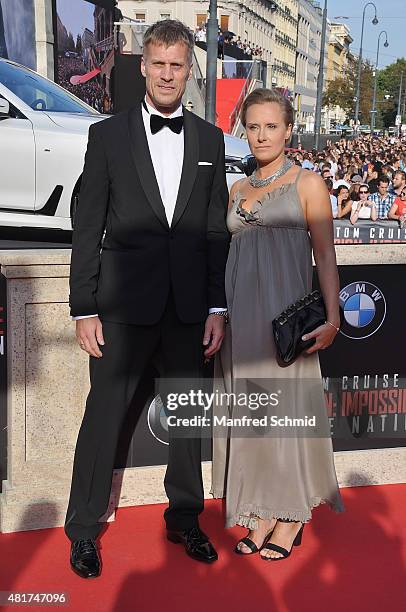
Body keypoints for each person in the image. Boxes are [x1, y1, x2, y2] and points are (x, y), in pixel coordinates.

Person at [65, 19, 229, 578]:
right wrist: (83, 306)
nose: (166, 74)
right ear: (144, 67)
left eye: (176, 65)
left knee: (186, 422)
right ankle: (83, 530)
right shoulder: (106, 136)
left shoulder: (209, 139)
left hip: (186, 310)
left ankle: (185, 517)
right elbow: (87, 226)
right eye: (157, 63)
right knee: (103, 420)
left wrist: (217, 307)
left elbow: (214, 233)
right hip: (120, 309)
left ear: (189, 69)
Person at [211, 88, 344, 562]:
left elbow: (326, 256)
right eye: (253, 126)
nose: (262, 135)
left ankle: (289, 516)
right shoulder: (237, 189)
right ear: (243, 131)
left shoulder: (309, 184)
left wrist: (333, 318)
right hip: (241, 319)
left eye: (271, 126)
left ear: (289, 130)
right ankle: (261, 510)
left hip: (285, 321)